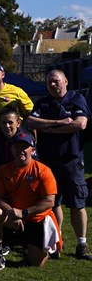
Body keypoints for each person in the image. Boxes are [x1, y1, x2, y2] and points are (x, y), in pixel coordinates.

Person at [26, 69, 91, 260]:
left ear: (66, 81)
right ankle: (56, 242)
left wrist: (48, 128)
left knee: (77, 203)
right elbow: (31, 121)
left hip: (71, 160)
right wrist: (59, 122)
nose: (53, 85)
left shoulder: (76, 99)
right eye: (49, 83)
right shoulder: (43, 102)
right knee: (54, 202)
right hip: (48, 161)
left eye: (56, 81)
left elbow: (80, 124)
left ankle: (82, 244)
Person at [0, 132, 60, 270]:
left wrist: (24, 212)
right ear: (11, 149)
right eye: (16, 147)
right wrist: (11, 211)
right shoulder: (3, 170)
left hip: (37, 219)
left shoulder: (43, 171)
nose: (20, 150)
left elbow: (50, 201)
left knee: (37, 264)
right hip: (14, 217)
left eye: (24, 147)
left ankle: (35, 245)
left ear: (33, 149)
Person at [0, 108, 27, 179]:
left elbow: (33, 163)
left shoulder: (26, 140)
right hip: (3, 178)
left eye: (10, 122)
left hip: (23, 177)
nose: (7, 126)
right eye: (3, 123)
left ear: (18, 123)